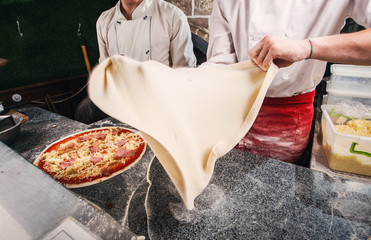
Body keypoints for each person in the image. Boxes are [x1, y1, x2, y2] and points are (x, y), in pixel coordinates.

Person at [206, 0, 371, 165]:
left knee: (275, 184)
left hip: (286, 117)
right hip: (230, 112)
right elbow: (220, 60)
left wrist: (307, 48)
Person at [75, 0, 196, 123]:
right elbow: (106, 69)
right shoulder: (104, 20)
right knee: (86, 110)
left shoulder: (173, 16)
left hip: (160, 98)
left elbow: (184, 73)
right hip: (121, 96)